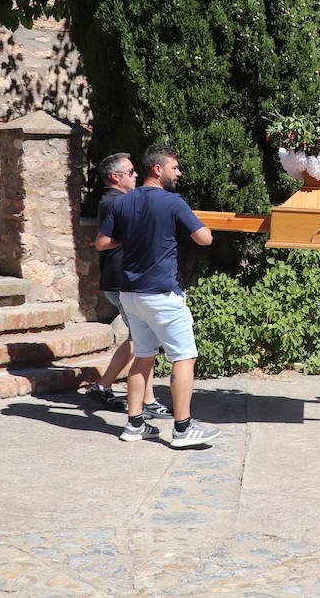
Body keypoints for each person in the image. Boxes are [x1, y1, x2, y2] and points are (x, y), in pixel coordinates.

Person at [96, 146, 219, 447]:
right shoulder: (173, 202)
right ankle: (182, 428)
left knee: (143, 355)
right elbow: (205, 238)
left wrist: (134, 235)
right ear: (157, 169)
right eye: (175, 168)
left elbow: (101, 243)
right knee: (183, 357)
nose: (179, 173)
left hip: (130, 294)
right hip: (161, 294)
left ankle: (135, 424)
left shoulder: (123, 202)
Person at [86, 152, 171, 420]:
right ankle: (145, 399)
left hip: (122, 280)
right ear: (116, 177)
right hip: (122, 280)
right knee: (144, 340)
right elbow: (105, 241)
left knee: (141, 339)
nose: (136, 176)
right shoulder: (116, 203)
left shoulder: (118, 201)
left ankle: (105, 386)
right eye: (131, 172)